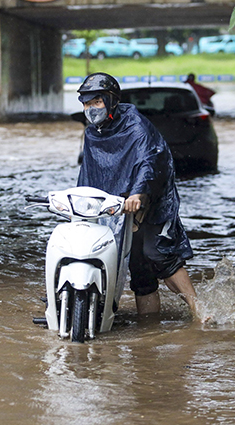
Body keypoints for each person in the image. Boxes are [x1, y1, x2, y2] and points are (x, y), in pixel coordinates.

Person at [76, 72, 199, 317]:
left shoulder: (136, 125)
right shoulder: (92, 134)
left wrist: (138, 193)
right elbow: (88, 175)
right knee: (139, 270)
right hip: (120, 204)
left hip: (150, 198)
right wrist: (78, 205)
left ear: (111, 101)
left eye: (97, 102)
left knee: (158, 254)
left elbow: (149, 162)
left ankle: (200, 311)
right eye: (87, 104)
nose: (91, 109)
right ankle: (148, 334)